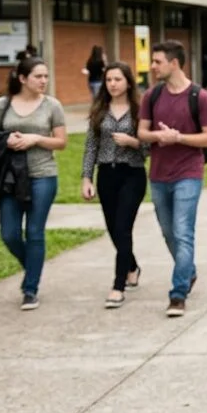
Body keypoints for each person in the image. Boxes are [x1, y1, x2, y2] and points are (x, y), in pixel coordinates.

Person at [137, 40, 207, 318]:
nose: (153, 66)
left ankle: (178, 293)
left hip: (189, 173)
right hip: (158, 175)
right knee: (168, 232)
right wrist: (160, 136)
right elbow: (141, 132)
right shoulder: (152, 96)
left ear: (174, 63)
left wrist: (179, 137)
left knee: (183, 232)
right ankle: (189, 271)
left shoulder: (199, 97)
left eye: (157, 61)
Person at [0, 57, 67, 311]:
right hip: (10, 177)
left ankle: (30, 288)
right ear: (22, 79)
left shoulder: (52, 106)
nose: (43, 81)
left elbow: (61, 142)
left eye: (46, 76)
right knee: (9, 233)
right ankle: (33, 267)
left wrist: (35, 139)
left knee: (34, 232)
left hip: (43, 175)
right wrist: (6, 139)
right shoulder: (3, 104)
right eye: (38, 76)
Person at [80, 62, 146, 308]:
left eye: (117, 79)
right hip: (106, 174)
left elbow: (150, 148)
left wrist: (133, 142)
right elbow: (90, 147)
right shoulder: (100, 110)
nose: (113, 84)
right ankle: (131, 266)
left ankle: (118, 286)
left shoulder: (140, 110)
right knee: (113, 229)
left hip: (133, 174)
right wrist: (86, 178)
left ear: (128, 81)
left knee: (122, 227)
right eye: (109, 80)